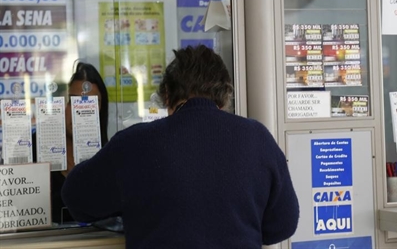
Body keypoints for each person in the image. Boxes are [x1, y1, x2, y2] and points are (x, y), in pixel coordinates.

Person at [62, 45, 300, 248]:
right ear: (225, 96)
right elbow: (283, 225)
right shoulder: (257, 138)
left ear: (167, 94)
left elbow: (76, 199)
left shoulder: (135, 144)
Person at [33, 61, 109, 224]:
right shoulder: (35, 146)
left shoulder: (108, 154)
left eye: (90, 104)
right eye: (73, 102)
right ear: (62, 105)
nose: (80, 111)